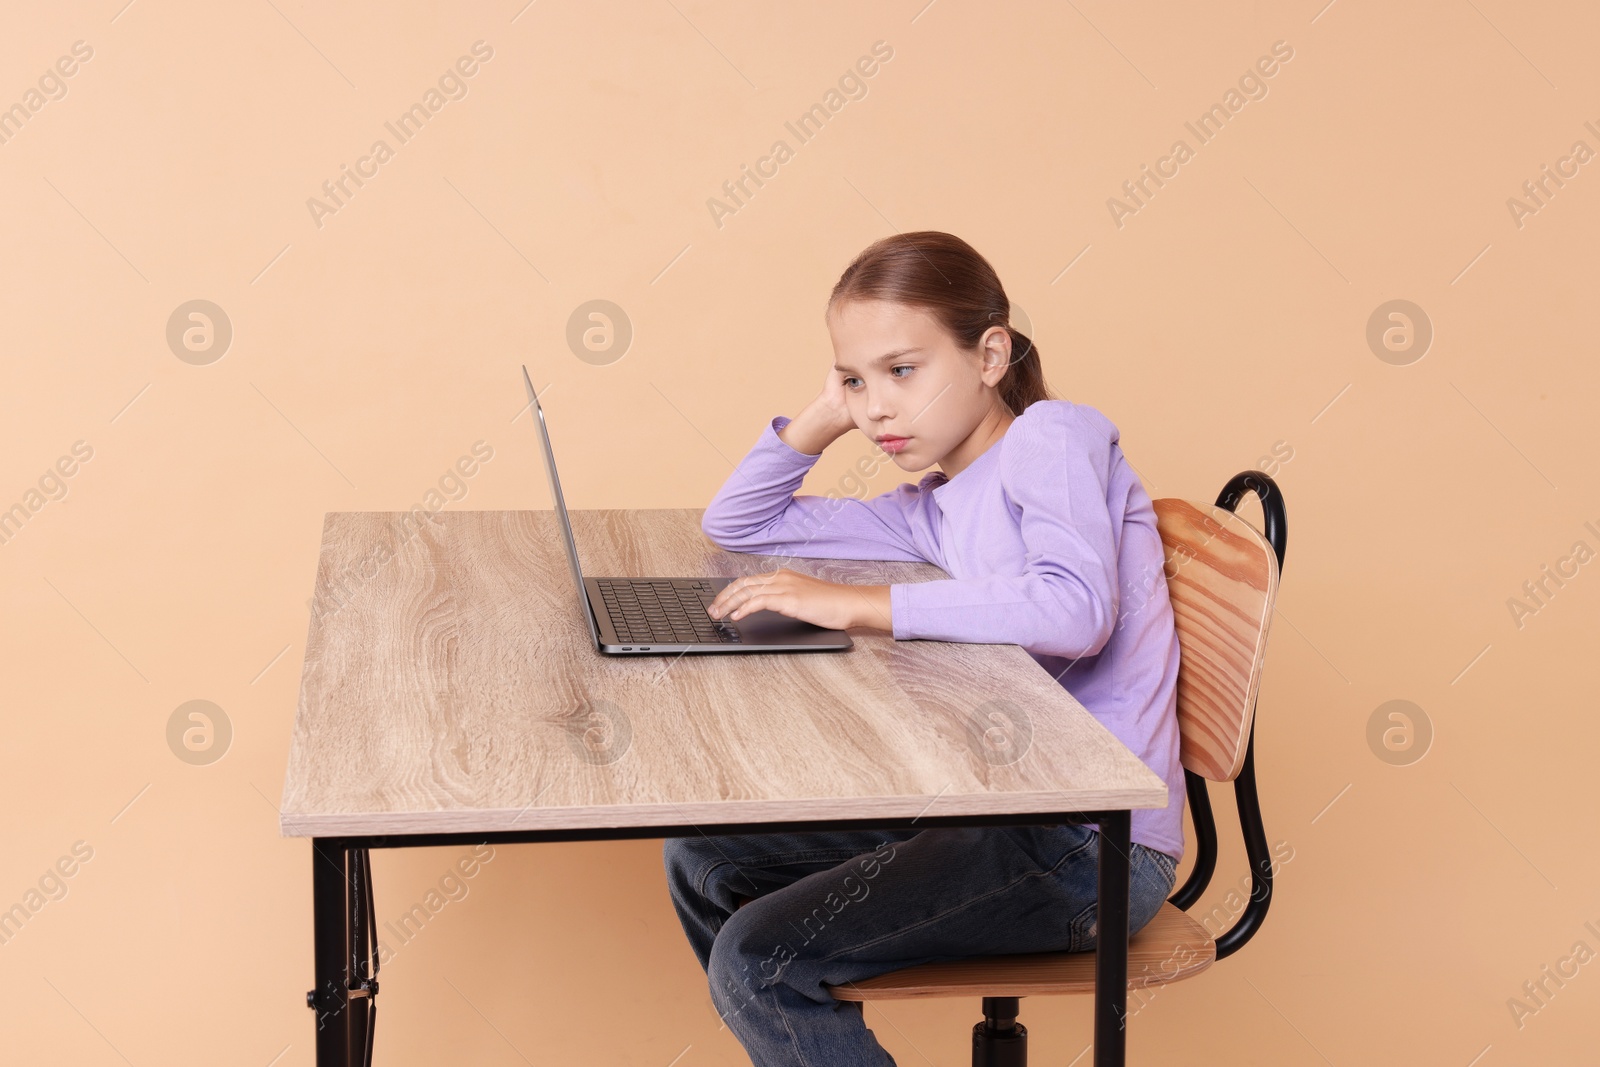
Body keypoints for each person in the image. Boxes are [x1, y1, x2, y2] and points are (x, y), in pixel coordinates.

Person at [663, 230, 1185, 1066]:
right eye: (856, 379)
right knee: (702, 856)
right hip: (988, 803)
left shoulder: (1053, 437)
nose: (877, 407)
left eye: (902, 371)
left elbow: (1077, 605)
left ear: (990, 354)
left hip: (1092, 843)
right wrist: (830, 410)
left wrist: (859, 603)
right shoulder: (929, 510)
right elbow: (737, 526)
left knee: (760, 961)